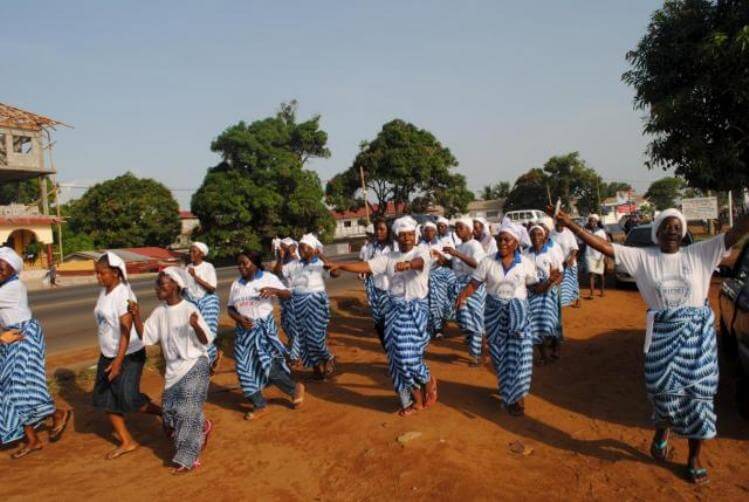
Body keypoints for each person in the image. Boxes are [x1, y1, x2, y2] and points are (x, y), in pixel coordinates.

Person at [552, 205, 749, 485]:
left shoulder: (701, 253)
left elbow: (737, 232)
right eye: (667, 226)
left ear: (683, 232)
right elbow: (604, 247)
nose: (672, 230)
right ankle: (663, 426)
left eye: (677, 226)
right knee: (662, 394)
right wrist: (571, 224)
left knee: (700, 398)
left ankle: (693, 459)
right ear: (658, 232)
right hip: (662, 339)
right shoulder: (643, 258)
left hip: (698, 343)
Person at [327, 216, 438, 416]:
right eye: (402, 235)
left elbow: (419, 263)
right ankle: (415, 398)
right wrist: (341, 266)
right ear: (396, 237)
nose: (407, 238)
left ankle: (427, 380)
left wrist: (408, 265)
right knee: (396, 357)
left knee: (408, 356)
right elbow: (366, 266)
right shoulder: (388, 258)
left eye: (410, 235)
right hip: (395, 310)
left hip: (416, 310)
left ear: (415, 236)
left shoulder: (422, 251)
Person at [129, 267, 214, 474]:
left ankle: (188, 458)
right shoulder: (160, 312)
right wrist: (136, 315)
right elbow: (146, 337)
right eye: (156, 284)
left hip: (195, 363)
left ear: (175, 285)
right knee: (169, 412)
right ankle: (202, 425)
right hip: (174, 369)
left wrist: (196, 326)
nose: (156, 288)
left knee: (186, 412)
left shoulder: (189, 308)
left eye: (161, 284)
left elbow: (206, 340)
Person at [455, 220, 538, 416]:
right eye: (500, 239)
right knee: (499, 356)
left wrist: (550, 282)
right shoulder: (487, 262)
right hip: (494, 315)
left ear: (516, 243)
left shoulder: (526, 264)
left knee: (520, 356)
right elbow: (474, 284)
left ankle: (518, 398)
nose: (502, 243)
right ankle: (508, 387)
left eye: (507, 240)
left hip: (519, 317)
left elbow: (535, 287)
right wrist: (462, 296)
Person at [0, 247, 71, 459]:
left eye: (2, 269)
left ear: (13, 270)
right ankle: (32, 440)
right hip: (11, 335)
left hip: (24, 335)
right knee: (9, 387)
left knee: (20, 385)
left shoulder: (12, 287)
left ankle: (57, 413)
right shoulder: (5, 285)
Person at [92, 252, 161, 460]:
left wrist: (117, 363)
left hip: (129, 354)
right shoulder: (105, 291)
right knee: (106, 399)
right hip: (108, 353)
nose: (98, 277)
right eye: (96, 273)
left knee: (129, 398)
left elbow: (125, 331)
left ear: (115, 273)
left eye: (102, 273)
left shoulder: (123, 294)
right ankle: (127, 441)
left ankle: (165, 414)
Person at [227, 250, 305, 420]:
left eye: (244, 263)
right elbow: (230, 308)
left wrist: (274, 290)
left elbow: (288, 294)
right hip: (243, 333)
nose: (241, 267)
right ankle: (259, 403)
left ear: (255, 263)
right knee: (244, 369)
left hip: (264, 330)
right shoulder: (236, 284)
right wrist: (239, 319)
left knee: (268, 366)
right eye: (239, 264)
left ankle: (294, 389)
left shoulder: (268, 278)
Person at [275, 233, 339, 380]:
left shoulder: (319, 264)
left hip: (317, 304)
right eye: (301, 247)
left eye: (305, 247)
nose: (301, 250)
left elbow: (336, 273)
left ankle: (328, 357)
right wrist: (280, 257)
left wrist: (321, 256)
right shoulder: (295, 264)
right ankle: (316, 366)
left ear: (313, 249)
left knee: (316, 336)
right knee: (305, 338)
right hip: (299, 304)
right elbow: (278, 272)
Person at [443, 217, 487, 366]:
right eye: (456, 228)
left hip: (473, 286)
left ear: (470, 230)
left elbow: (477, 264)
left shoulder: (475, 245)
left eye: (460, 227)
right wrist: (444, 260)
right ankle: (477, 350)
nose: (457, 230)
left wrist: (456, 254)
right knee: (464, 321)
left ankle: (477, 355)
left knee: (474, 321)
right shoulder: (459, 246)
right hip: (460, 286)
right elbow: (456, 267)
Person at [524, 225, 564, 365]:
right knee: (533, 323)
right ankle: (543, 355)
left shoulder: (551, 252)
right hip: (532, 292)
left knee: (552, 322)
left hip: (549, 292)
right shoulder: (525, 253)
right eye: (533, 234)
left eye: (539, 234)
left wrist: (552, 283)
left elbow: (560, 273)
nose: (536, 237)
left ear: (544, 236)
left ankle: (555, 347)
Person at [184, 242, 221, 373]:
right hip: (192, 301)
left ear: (202, 254)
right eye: (190, 251)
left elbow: (211, 288)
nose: (191, 254)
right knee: (193, 332)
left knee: (207, 332)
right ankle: (202, 360)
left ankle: (210, 359)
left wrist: (195, 277)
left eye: (194, 251)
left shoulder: (208, 267)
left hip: (208, 301)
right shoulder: (187, 268)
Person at [358, 218, 392, 349]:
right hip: (377, 291)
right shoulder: (370, 248)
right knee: (379, 323)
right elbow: (365, 265)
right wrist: (362, 273)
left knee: (392, 323)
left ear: (389, 231)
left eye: (382, 229)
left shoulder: (395, 247)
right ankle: (388, 349)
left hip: (394, 291)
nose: (378, 232)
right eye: (377, 229)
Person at [420, 221, 456, 340]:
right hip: (426, 277)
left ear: (435, 232)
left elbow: (447, 261)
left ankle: (443, 323)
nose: (429, 232)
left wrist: (440, 257)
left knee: (442, 301)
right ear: (423, 232)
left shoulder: (440, 244)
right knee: (432, 303)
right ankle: (437, 329)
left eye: (432, 230)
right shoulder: (420, 246)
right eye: (427, 230)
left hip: (441, 275)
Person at [277, 237, 301, 365]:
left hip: (295, 297)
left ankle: (294, 356)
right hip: (283, 299)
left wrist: (291, 253)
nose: (281, 250)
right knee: (286, 326)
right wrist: (280, 257)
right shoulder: (282, 262)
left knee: (295, 328)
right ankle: (296, 348)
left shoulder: (296, 261)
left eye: (284, 248)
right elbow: (277, 273)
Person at [551, 219, 581, 308]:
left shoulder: (568, 234)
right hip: (557, 264)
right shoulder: (551, 234)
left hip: (569, 263)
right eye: (557, 223)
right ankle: (562, 302)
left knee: (573, 282)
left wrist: (571, 258)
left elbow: (575, 248)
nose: (559, 225)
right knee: (559, 284)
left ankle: (577, 299)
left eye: (561, 223)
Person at [583, 214, 607, 299]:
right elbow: (583, 243)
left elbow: (605, 244)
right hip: (589, 255)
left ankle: (602, 291)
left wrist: (605, 256)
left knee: (601, 275)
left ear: (596, 222)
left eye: (593, 221)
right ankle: (592, 293)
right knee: (591, 274)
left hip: (600, 255)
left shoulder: (601, 232)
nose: (591, 222)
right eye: (590, 221)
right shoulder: (586, 231)